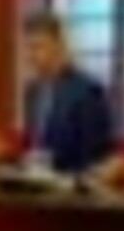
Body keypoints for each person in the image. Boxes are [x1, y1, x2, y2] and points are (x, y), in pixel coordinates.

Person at [22, 12, 115, 173]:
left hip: (71, 182)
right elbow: (34, 145)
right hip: (36, 179)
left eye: (37, 47)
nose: (30, 56)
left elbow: (96, 157)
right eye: (28, 48)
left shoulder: (87, 91)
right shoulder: (32, 91)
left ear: (59, 46)